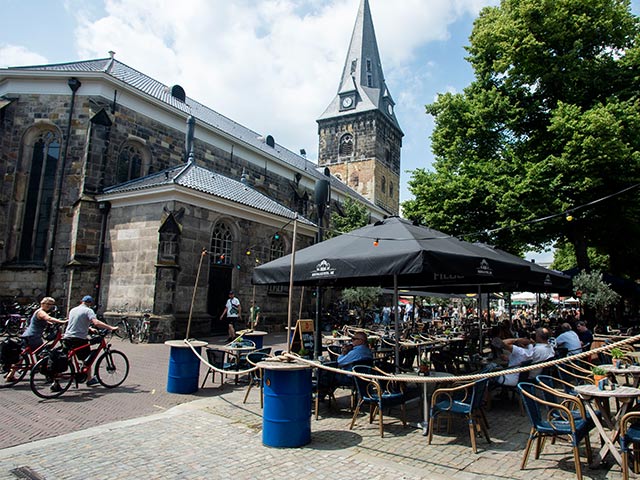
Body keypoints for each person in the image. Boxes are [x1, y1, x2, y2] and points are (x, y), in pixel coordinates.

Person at [5, 297, 66, 382]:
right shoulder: (41, 312)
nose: (49, 306)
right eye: (47, 304)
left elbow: (44, 320)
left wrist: (50, 323)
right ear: (42, 304)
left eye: (51, 305)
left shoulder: (38, 312)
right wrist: (62, 322)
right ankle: (47, 373)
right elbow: (48, 318)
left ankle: (10, 375)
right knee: (44, 354)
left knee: (22, 356)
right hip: (34, 337)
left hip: (28, 335)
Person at [62, 295, 118, 388]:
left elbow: (76, 322)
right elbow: (96, 322)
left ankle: (55, 382)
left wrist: (89, 328)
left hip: (67, 337)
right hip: (79, 338)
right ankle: (89, 380)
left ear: (82, 301)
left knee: (65, 358)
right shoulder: (88, 310)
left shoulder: (73, 310)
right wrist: (110, 327)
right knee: (87, 359)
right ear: (90, 303)